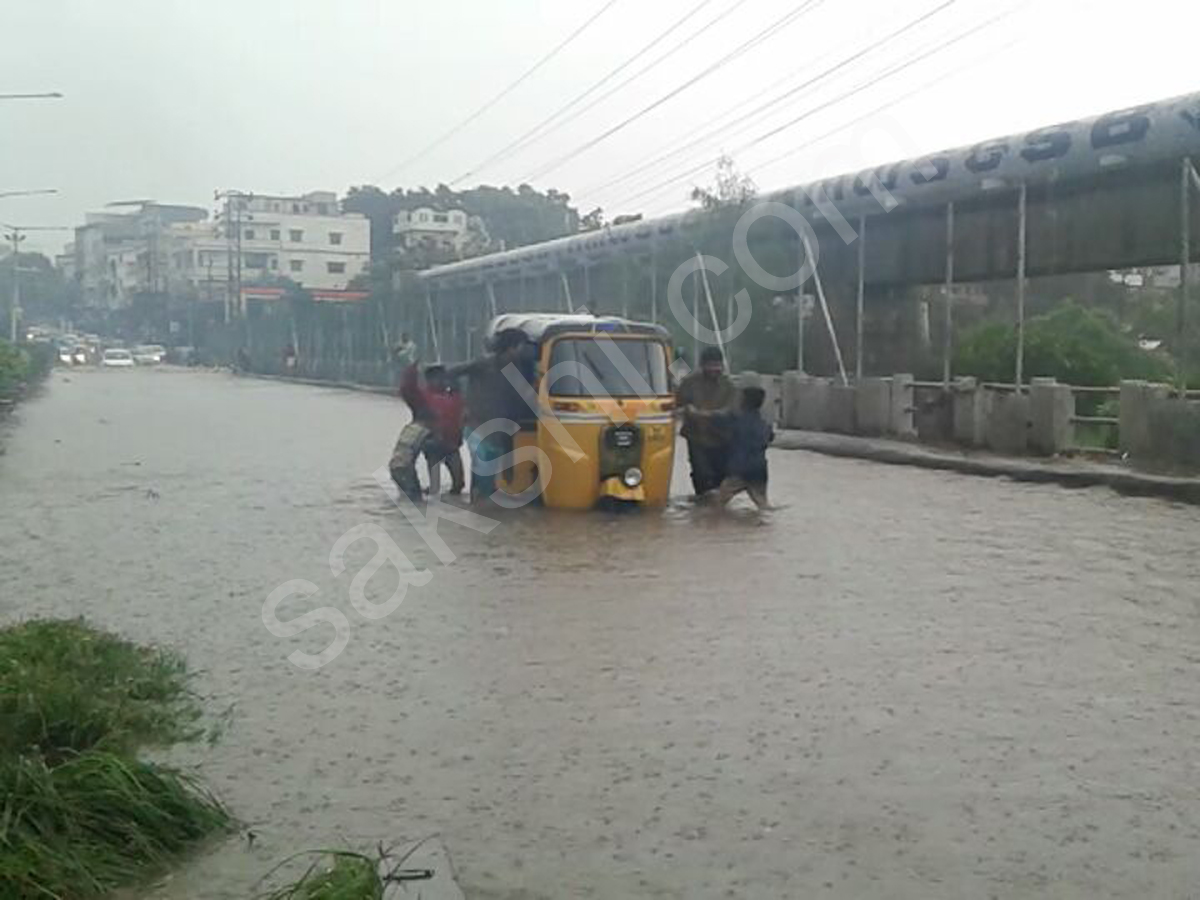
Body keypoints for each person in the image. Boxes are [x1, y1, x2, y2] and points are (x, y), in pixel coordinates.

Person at [448, 329, 536, 504]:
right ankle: (480, 510)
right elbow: (452, 371)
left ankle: (482, 510)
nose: (523, 351)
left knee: (492, 475)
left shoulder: (519, 370)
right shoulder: (484, 364)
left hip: (502, 430)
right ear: (510, 347)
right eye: (520, 347)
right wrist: (458, 397)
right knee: (484, 469)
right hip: (477, 426)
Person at [676, 346, 739, 498]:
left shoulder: (729, 385)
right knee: (701, 474)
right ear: (702, 365)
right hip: (696, 436)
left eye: (717, 365)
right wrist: (688, 409)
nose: (714, 369)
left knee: (721, 477)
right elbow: (679, 402)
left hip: (722, 438)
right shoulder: (689, 382)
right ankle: (703, 509)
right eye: (710, 365)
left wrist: (709, 415)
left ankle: (715, 511)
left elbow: (733, 409)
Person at [400, 362, 465, 494]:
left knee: (459, 485)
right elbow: (407, 389)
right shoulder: (421, 397)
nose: (442, 381)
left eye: (443, 377)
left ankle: (446, 503)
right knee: (435, 488)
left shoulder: (454, 396)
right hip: (432, 447)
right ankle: (430, 500)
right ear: (429, 379)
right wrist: (411, 369)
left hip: (452, 446)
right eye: (438, 378)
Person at [715, 386, 775, 510]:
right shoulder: (764, 422)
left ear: (744, 401)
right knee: (763, 506)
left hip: (739, 471)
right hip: (759, 470)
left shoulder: (736, 419)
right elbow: (770, 438)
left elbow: (721, 430)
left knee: (718, 505)